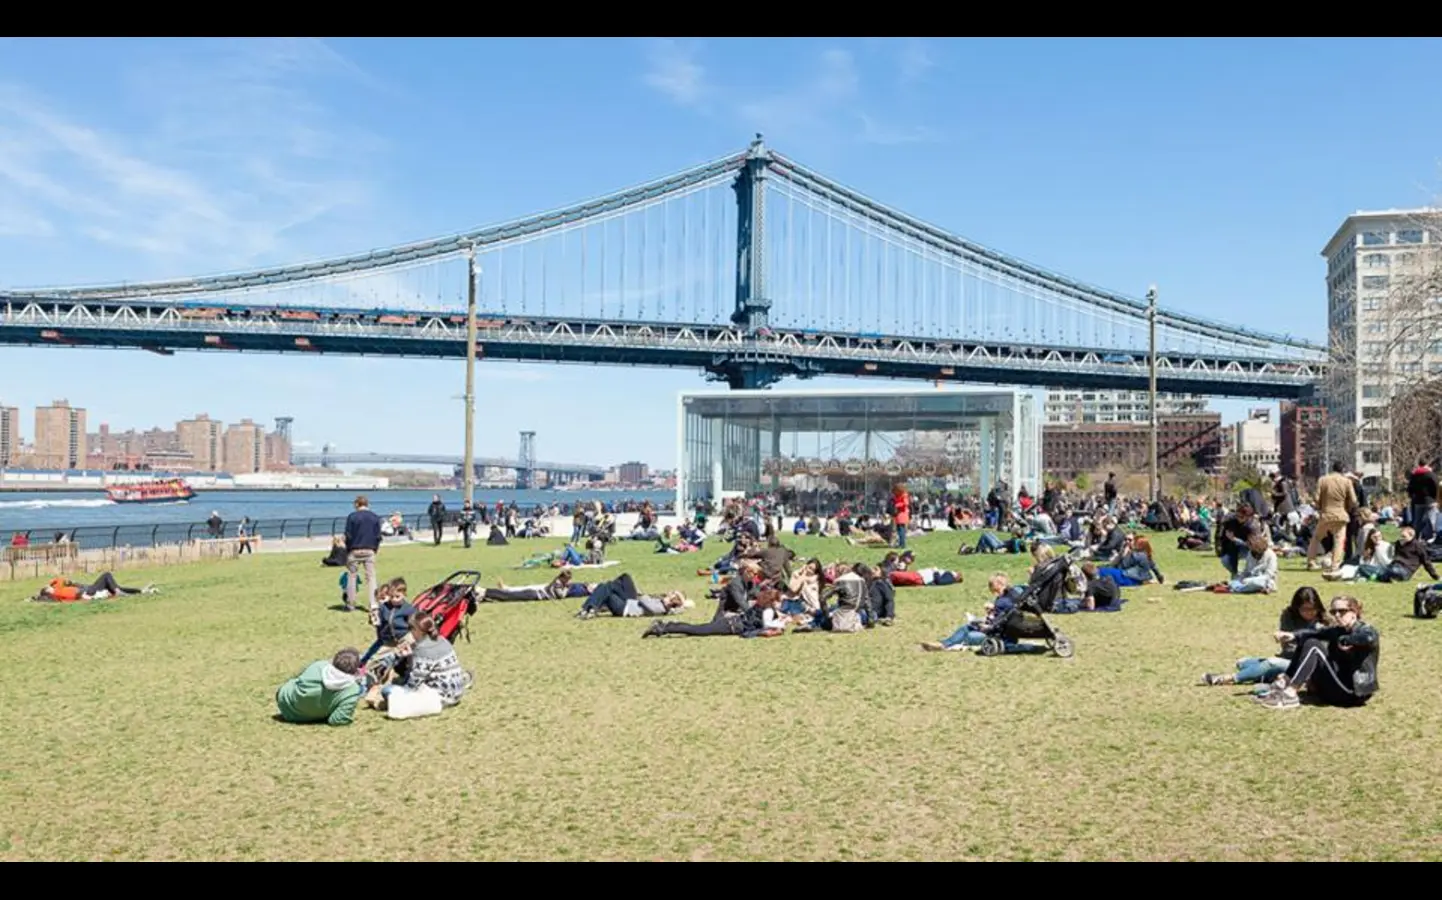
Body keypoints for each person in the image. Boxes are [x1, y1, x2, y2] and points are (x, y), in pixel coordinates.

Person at [1255, 595, 1378, 709]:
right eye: (1333, 612)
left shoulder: (1365, 630)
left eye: (1342, 611)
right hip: (1336, 684)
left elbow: (1368, 638)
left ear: (1354, 612)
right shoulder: (1338, 630)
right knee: (1308, 640)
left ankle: (1290, 694)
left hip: (1352, 692)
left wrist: (1348, 640)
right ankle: (1283, 684)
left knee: (1314, 645)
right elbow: (1315, 633)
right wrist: (1292, 635)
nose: (1337, 615)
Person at [274, 648, 365, 725]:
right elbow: (337, 719)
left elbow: (297, 679)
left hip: (287, 710)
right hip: (316, 715)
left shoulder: (318, 666)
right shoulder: (352, 690)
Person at [344, 494, 382, 614]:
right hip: (369, 549)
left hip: (354, 550)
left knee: (352, 577)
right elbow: (378, 536)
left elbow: (348, 535)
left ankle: (351, 603)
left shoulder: (352, 517)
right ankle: (373, 604)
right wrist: (374, 549)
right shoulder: (375, 517)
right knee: (371, 578)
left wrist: (348, 549)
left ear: (357, 504)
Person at [32, 572, 156, 602]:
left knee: (115, 586)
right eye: (48, 588)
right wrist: (86, 597)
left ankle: (140, 591)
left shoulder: (58, 587)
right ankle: (121, 592)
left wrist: (51, 583)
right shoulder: (58, 593)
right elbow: (77, 594)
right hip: (89, 591)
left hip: (88, 588)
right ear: (48, 592)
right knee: (106, 575)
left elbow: (58, 579)